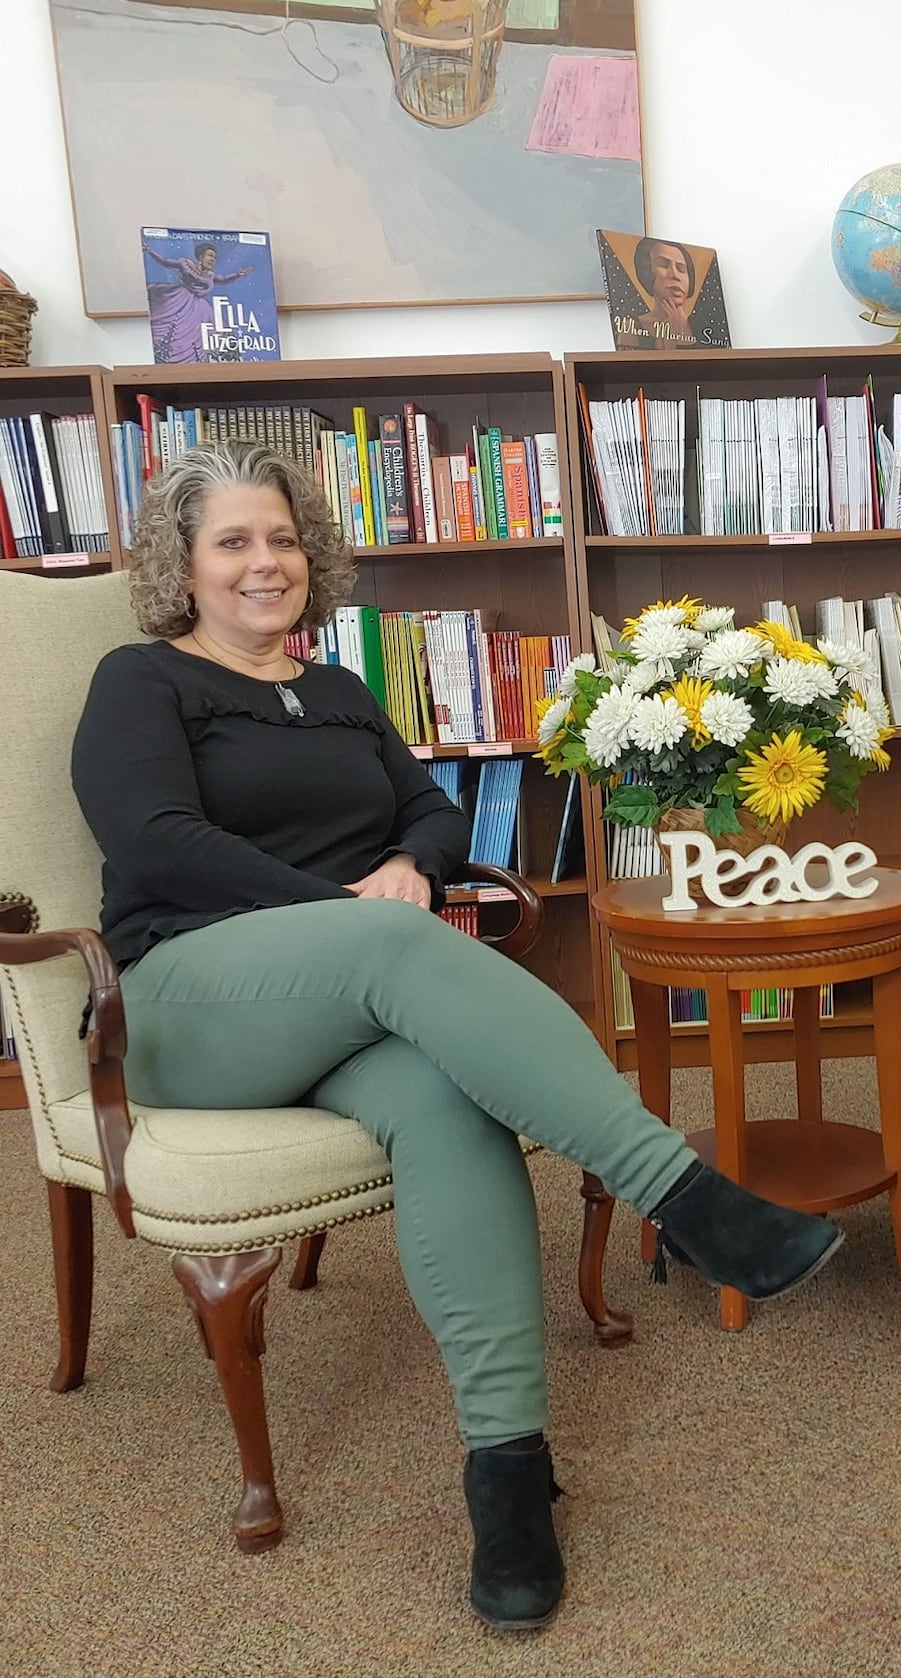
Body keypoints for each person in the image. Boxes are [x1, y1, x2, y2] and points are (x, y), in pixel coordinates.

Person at [69, 440, 842, 1630]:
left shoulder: (336, 691)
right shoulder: (141, 680)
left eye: (279, 537)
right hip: (190, 1000)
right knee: (399, 945)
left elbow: (431, 815)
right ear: (184, 562)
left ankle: (508, 1473)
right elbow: (159, 842)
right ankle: (683, 1195)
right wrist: (354, 911)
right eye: (232, 541)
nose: (263, 562)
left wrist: (400, 869)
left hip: (355, 996)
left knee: (446, 1104)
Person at [142, 240, 251, 364]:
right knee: (173, 328)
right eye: (210, 255)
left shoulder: (210, 275)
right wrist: (149, 250)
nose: (213, 259)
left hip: (200, 308)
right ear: (200, 256)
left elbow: (223, 279)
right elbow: (165, 262)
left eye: (215, 257)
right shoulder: (185, 264)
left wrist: (238, 274)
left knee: (211, 335)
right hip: (180, 299)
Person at [626, 237, 698, 347]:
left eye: (681, 268)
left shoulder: (704, 328)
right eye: (663, 264)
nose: (675, 274)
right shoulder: (631, 328)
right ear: (647, 271)